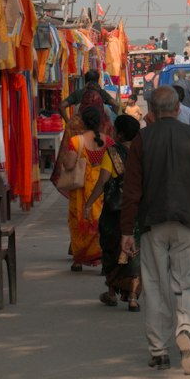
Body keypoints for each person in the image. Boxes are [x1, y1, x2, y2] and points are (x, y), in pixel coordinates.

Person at [120, 86, 190, 374]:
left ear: (151, 112)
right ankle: (187, 331)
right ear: (178, 109)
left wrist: (127, 230)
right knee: (189, 283)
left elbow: (132, 190)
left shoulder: (142, 140)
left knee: (154, 285)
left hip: (153, 222)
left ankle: (158, 350)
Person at [63, 103, 118, 272]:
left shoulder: (75, 141)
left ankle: (78, 260)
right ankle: (101, 257)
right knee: (101, 224)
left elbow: (69, 164)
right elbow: (116, 165)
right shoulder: (108, 141)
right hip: (102, 188)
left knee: (79, 222)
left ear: (83, 122)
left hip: (81, 190)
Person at [99, 114, 143, 310]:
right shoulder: (144, 152)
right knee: (136, 253)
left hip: (114, 211)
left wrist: (89, 203)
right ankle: (133, 297)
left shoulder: (112, 153)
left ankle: (111, 292)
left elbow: (103, 181)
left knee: (111, 248)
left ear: (120, 134)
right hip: (138, 209)